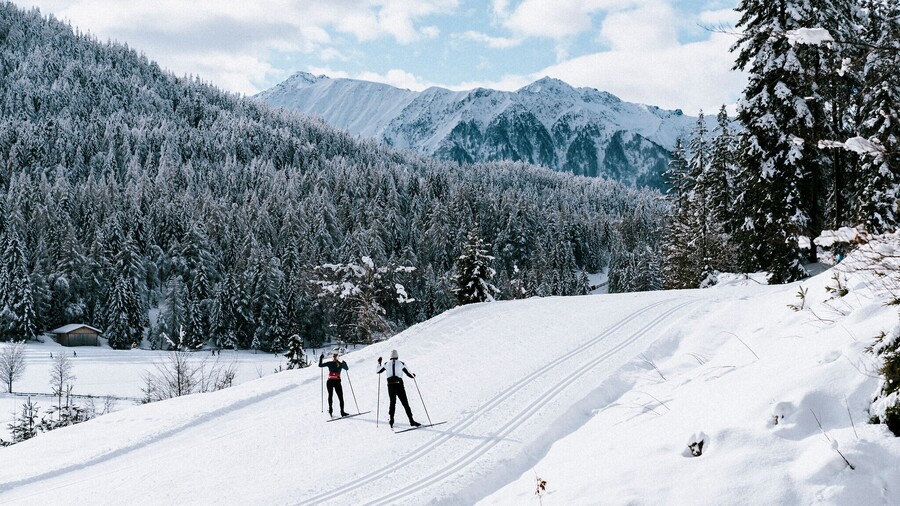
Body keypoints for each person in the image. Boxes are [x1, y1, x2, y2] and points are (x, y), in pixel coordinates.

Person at [376, 349, 420, 428]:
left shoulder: (386, 364)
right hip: (399, 385)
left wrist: (379, 363)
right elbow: (409, 374)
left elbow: (378, 371)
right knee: (405, 403)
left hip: (390, 386)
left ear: (390, 357)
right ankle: (411, 421)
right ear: (397, 356)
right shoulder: (401, 363)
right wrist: (413, 375)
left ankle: (391, 419)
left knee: (392, 403)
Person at [319, 351, 349, 417]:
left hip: (330, 381)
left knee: (330, 395)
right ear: (338, 358)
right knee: (340, 397)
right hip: (337, 382)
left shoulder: (329, 363)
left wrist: (321, 358)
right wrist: (345, 364)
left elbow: (320, 365)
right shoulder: (340, 364)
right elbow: (347, 369)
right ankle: (342, 412)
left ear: (332, 358)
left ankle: (330, 410)